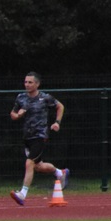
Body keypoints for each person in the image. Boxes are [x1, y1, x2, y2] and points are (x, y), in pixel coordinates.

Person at [7, 72, 68, 205]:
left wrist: (57, 122)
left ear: (37, 84)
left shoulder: (45, 97)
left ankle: (22, 194)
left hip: (40, 135)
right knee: (38, 166)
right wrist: (18, 115)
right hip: (27, 136)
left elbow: (60, 106)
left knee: (29, 163)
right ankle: (60, 172)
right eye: (26, 82)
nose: (27, 85)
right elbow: (13, 114)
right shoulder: (21, 97)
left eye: (30, 82)